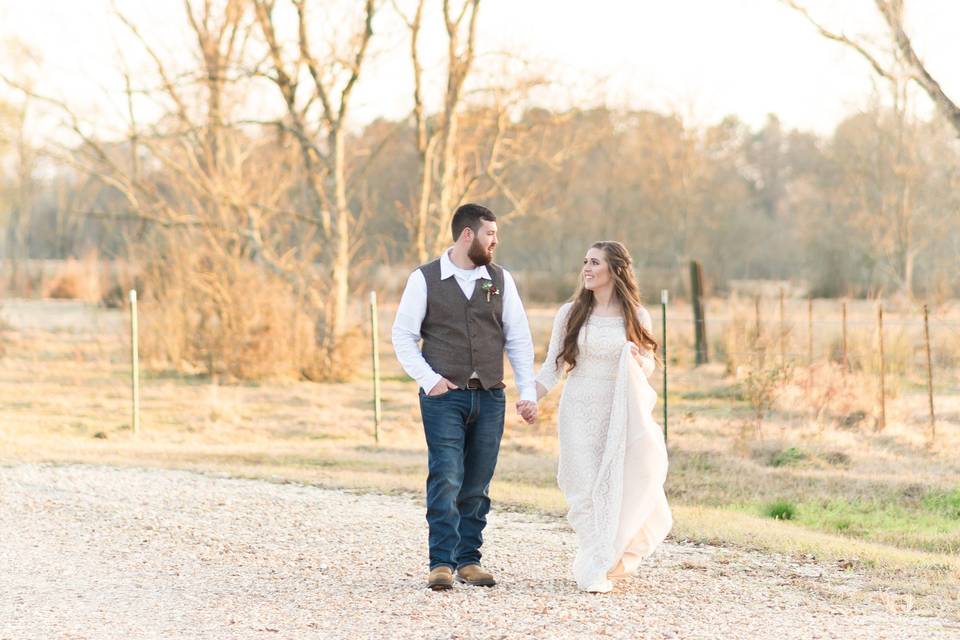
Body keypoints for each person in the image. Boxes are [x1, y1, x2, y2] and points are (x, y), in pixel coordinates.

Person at [392, 203, 538, 591]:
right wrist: (429, 379)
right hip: (444, 397)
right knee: (446, 475)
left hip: (490, 395)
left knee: (478, 480)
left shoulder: (501, 279)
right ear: (467, 235)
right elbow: (402, 337)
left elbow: (518, 338)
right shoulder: (424, 279)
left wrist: (528, 391)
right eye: (490, 234)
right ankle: (441, 561)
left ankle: (469, 560)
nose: (496, 242)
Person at [535, 240, 672, 593]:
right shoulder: (569, 313)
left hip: (617, 411)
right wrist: (530, 398)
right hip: (578, 407)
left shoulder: (637, 315)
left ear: (615, 270)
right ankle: (594, 554)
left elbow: (648, 366)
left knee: (610, 486)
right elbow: (553, 367)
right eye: (585, 261)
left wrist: (634, 357)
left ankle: (599, 565)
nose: (587, 268)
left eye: (595, 262)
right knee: (582, 489)